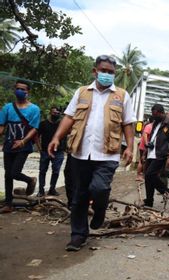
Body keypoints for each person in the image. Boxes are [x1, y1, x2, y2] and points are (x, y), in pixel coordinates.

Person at [48, 55, 136, 251]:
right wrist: (56, 138)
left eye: (111, 72)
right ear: (94, 71)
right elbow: (69, 117)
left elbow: (127, 123)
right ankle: (78, 235)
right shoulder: (81, 92)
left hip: (107, 154)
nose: (107, 74)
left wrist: (129, 147)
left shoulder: (122, 95)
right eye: (103, 70)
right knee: (79, 196)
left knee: (99, 188)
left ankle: (99, 210)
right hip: (80, 153)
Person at [0, 80, 40, 213]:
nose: (20, 91)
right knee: (7, 175)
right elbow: (2, 126)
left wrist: (23, 141)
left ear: (28, 92)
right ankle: (8, 203)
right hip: (9, 145)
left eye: (23, 89)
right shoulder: (7, 108)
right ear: (14, 90)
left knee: (15, 172)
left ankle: (30, 180)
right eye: (18, 88)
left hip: (24, 146)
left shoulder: (34, 109)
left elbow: (34, 128)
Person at [142, 104, 169, 207]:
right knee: (148, 177)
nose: (154, 117)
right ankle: (149, 201)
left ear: (161, 113)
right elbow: (152, 138)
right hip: (151, 153)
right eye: (153, 115)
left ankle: (166, 191)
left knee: (150, 174)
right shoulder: (155, 123)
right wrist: (145, 152)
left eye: (156, 115)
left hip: (161, 154)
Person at [37, 106, 65, 196]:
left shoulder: (62, 125)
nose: (55, 114)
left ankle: (52, 189)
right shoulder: (43, 124)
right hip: (45, 151)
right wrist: (39, 148)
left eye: (57, 113)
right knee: (42, 171)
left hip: (59, 151)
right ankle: (41, 190)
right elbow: (36, 136)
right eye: (54, 112)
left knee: (56, 171)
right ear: (50, 112)